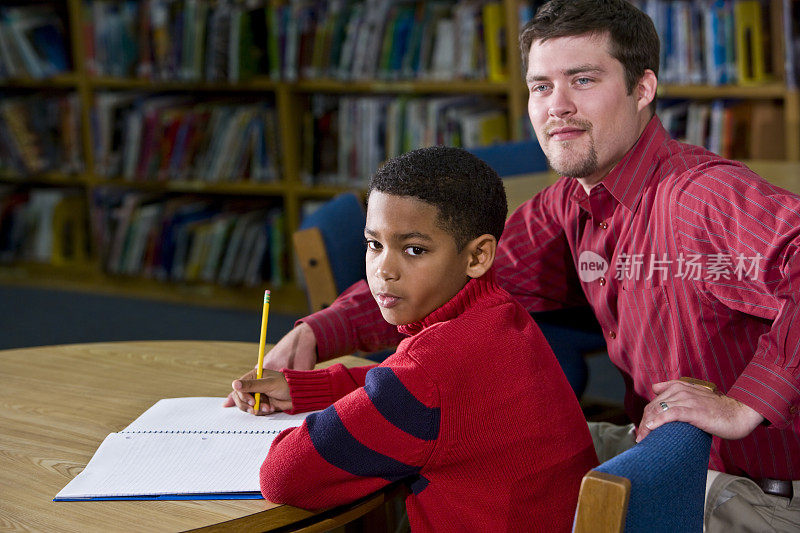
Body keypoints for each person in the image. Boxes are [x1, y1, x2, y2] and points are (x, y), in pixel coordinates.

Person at [229, 1, 800, 529]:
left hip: (752, 495)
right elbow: (444, 275)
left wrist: (746, 402)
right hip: (665, 456)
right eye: (541, 86)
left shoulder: (700, 196)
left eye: (583, 80)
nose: (557, 106)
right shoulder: (572, 203)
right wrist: (318, 329)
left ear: (643, 87)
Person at [227, 146, 598, 531]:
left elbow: (283, 476)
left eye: (414, 249)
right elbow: (409, 391)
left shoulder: (432, 369)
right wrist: (313, 390)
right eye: (374, 244)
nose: (384, 270)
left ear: (478, 256)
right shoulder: (500, 315)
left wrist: (320, 426)